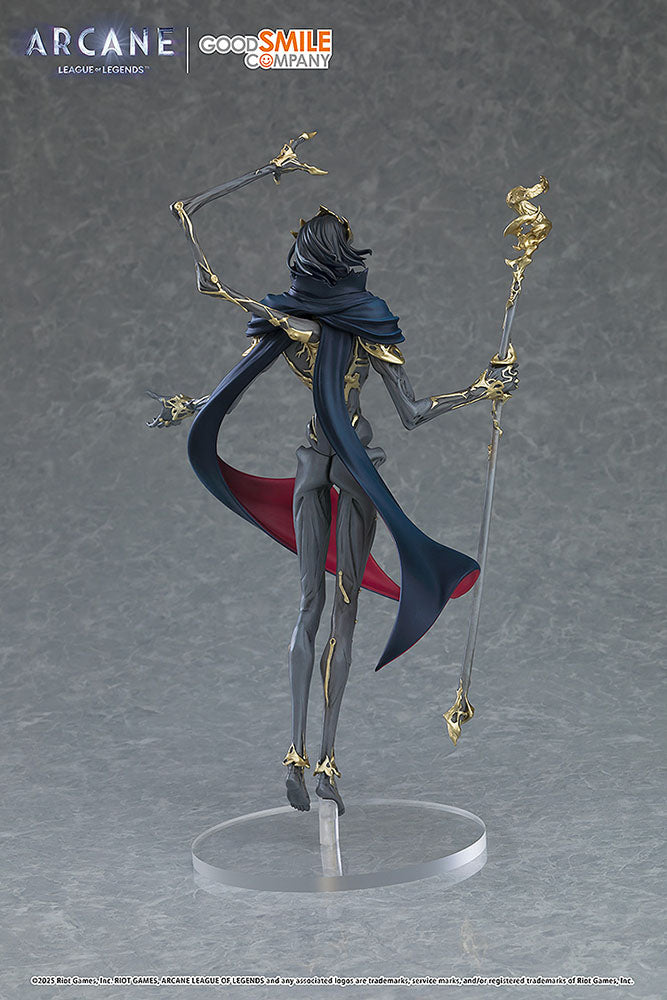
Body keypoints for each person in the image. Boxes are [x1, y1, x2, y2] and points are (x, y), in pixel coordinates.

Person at [147, 135, 519, 815]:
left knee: (310, 606)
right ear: (340, 261)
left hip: (311, 467)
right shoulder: (363, 326)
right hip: (351, 470)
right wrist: (480, 390)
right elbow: (411, 414)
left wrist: (191, 405)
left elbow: (216, 318)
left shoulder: (287, 323)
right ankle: (322, 762)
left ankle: (298, 754)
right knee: (341, 612)